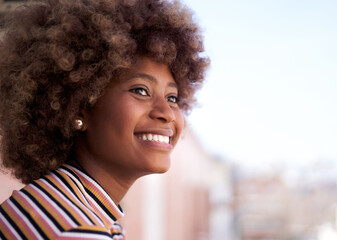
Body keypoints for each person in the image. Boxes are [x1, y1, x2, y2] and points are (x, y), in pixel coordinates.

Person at [0, 0, 209, 239]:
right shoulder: (78, 231)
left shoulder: (48, 204)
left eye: (172, 97)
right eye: (140, 90)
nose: (167, 112)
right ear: (79, 107)